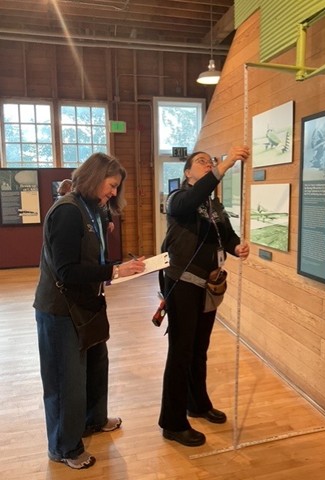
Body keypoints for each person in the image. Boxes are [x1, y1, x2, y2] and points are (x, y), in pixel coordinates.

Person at [33, 152, 146, 469]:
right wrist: (115, 271)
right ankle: (63, 447)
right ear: (95, 177)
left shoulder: (90, 209)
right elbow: (67, 271)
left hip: (87, 303)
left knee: (97, 366)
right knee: (65, 381)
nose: (113, 193)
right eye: (111, 185)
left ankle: (94, 420)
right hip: (60, 310)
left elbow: (88, 256)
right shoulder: (68, 212)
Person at [158, 145, 250, 447]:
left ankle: (197, 404)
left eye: (210, 161)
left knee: (199, 348)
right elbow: (190, 203)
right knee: (181, 350)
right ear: (187, 173)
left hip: (207, 284)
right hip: (182, 281)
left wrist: (237, 247)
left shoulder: (214, 205)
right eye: (201, 162)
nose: (208, 164)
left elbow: (228, 234)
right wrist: (222, 168)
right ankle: (172, 422)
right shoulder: (179, 198)